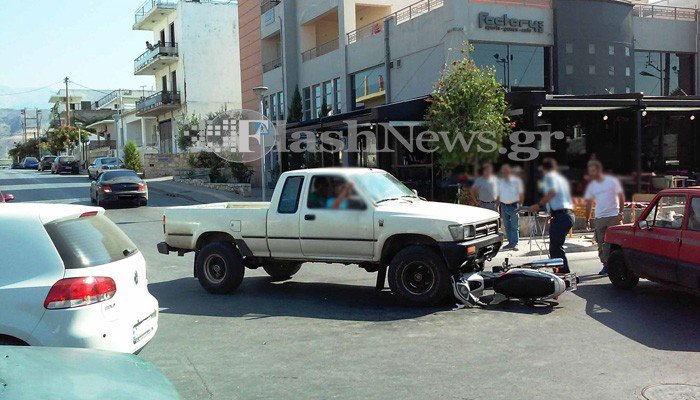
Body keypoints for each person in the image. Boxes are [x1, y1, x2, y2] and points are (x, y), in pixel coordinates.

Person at [528, 158, 574, 273]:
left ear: (544, 169)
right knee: (556, 247)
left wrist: (538, 205)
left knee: (555, 248)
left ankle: (563, 274)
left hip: (562, 215)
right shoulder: (560, 179)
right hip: (567, 214)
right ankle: (562, 272)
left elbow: (552, 192)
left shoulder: (549, 177)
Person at [584, 160, 625, 276]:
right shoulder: (592, 185)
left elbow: (621, 197)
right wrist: (587, 219)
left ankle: (620, 265)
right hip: (599, 217)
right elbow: (589, 203)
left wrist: (621, 213)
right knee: (601, 243)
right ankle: (606, 265)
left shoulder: (612, 181)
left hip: (613, 216)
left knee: (616, 242)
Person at [498, 164, 524, 251]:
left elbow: (521, 194)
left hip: (514, 206)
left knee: (514, 226)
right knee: (507, 226)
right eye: (503, 171)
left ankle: (515, 243)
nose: (505, 172)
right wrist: (497, 205)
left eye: (506, 171)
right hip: (503, 206)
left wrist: (520, 206)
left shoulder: (516, 181)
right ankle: (510, 243)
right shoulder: (500, 181)